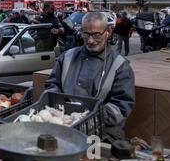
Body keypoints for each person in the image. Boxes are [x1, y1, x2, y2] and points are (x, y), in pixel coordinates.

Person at [45, 12, 135, 143]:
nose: (90, 40)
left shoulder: (120, 66)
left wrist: (85, 119)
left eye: (96, 35)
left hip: (103, 135)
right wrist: (62, 115)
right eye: (85, 34)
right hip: (64, 128)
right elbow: (51, 86)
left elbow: (121, 107)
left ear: (108, 32)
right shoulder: (67, 57)